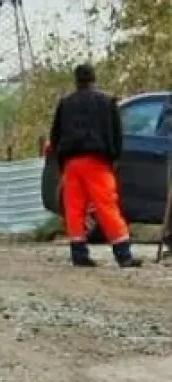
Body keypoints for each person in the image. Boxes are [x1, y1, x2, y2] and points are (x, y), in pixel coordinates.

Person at [49, 63, 141, 267]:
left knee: (74, 208)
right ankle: (123, 253)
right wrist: (114, 158)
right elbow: (116, 134)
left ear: (76, 80)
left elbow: (55, 136)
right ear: (93, 79)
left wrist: (61, 162)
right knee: (106, 205)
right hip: (97, 161)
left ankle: (79, 253)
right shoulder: (106, 102)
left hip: (72, 163)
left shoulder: (65, 104)